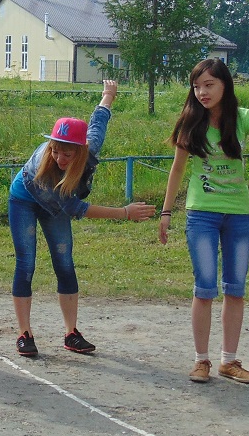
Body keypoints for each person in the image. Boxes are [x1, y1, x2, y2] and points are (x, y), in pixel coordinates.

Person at [158, 58, 249, 384]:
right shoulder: (191, 121)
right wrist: (166, 212)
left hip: (238, 214)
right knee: (205, 287)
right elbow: (177, 169)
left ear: (225, 85)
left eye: (209, 85)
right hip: (201, 213)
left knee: (235, 288)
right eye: (197, 86)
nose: (202, 92)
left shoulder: (246, 118)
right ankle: (201, 360)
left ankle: (229, 361)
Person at [10, 80, 156, 358]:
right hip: (24, 199)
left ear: (81, 150)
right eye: (55, 150)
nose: (59, 158)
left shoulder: (90, 147)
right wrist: (124, 213)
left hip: (56, 205)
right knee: (26, 263)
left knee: (64, 262)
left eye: (67, 153)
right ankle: (24, 334)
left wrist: (108, 95)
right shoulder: (45, 166)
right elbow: (76, 207)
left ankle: (71, 333)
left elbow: (98, 122)